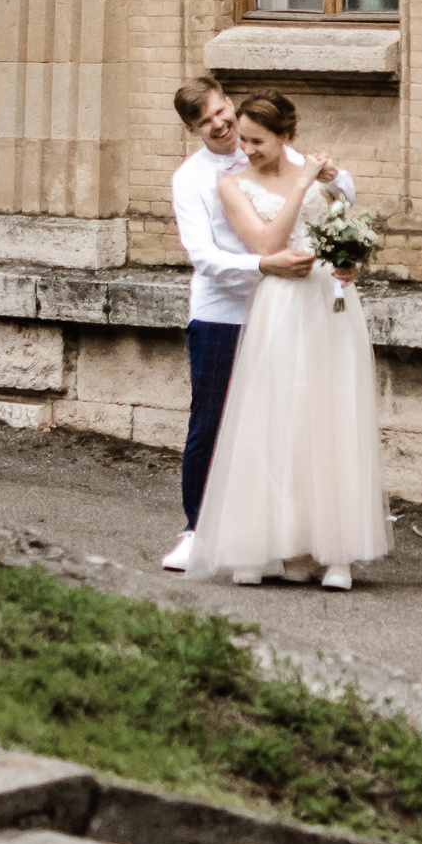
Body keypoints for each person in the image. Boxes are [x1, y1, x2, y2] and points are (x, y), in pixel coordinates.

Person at [184, 93, 389, 590]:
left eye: (257, 141)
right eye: (244, 139)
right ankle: (264, 544)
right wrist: (301, 184)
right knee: (273, 416)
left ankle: (331, 551)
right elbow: (267, 244)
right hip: (279, 304)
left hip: (328, 304)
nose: (246, 149)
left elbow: (344, 230)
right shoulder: (231, 185)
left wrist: (349, 264)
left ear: (285, 136)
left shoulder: (318, 175)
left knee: (329, 416)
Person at [162, 78, 351, 575]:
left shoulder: (276, 149)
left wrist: (342, 249)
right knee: (213, 422)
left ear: (230, 103)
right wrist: (264, 266)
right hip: (224, 312)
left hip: (292, 310)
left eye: (220, 111)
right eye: (204, 121)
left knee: (284, 423)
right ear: (192, 129)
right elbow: (203, 256)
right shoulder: (191, 179)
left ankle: (278, 535)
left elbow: (335, 196)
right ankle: (197, 530)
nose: (219, 125)